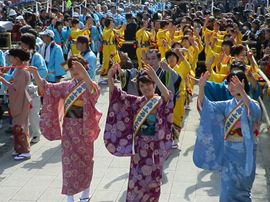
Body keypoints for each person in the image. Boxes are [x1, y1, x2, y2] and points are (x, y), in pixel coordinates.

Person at [26, 57, 102, 202]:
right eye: (72, 68)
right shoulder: (66, 86)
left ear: (85, 68)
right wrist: (36, 74)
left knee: (86, 161)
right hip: (69, 128)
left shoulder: (89, 85)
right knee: (68, 162)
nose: (74, 71)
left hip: (85, 128)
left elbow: (94, 92)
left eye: (78, 68)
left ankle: (86, 192)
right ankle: (69, 195)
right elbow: (47, 89)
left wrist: (84, 72)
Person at [104, 63, 174, 202]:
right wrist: (110, 79)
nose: (146, 88)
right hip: (139, 148)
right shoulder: (136, 102)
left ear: (154, 85)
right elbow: (117, 96)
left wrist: (155, 76)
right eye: (142, 86)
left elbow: (167, 97)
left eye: (148, 84)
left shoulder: (159, 101)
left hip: (155, 148)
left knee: (153, 183)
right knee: (136, 181)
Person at [194, 70, 261, 202]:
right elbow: (207, 108)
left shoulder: (252, 103)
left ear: (242, 83)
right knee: (227, 192)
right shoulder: (227, 105)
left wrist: (243, 93)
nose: (230, 87)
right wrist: (201, 88)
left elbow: (255, 114)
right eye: (228, 84)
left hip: (246, 155)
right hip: (229, 155)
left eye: (234, 83)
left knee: (243, 191)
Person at [0, 49, 32, 160]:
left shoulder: (22, 71)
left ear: (17, 59)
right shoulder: (20, 69)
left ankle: (25, 150)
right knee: (19, 126)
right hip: (20, 100)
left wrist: (2, 80)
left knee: (20, 126)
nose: (9, 59)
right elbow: (14, 86)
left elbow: (15, 88)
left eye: (11, 57)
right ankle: (20, 149)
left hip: (20, 101)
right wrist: (3, 79)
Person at [20, 33, 48, 143]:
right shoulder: (20, 55)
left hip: (32, 89)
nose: (21, 45)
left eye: (22, 43)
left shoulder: (36, 56)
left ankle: (36, 134)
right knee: (23, 115)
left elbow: (43, 71)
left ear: (28, 44)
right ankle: (24, 135)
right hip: (21, 89)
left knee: (33, 114)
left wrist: (30, 75)